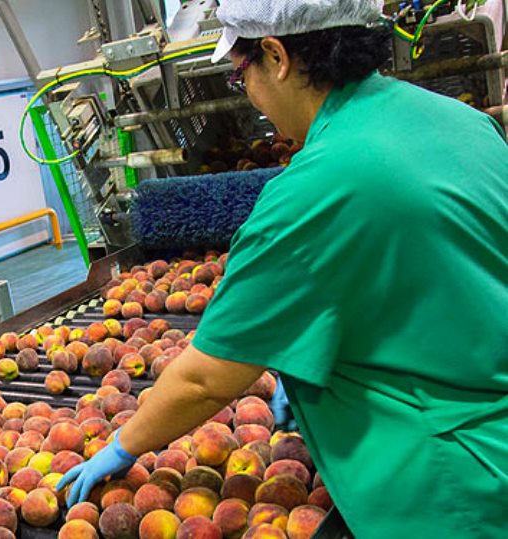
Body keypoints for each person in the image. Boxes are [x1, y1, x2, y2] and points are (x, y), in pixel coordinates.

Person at [58, 1, 508, 537]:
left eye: (239, 71)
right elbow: (427, 273)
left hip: (442, 489)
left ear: (276, 56)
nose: (246, 90)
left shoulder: (311, 190)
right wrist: (318, 353)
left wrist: (123, 444)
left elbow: (205, 380)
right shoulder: (462, 122)